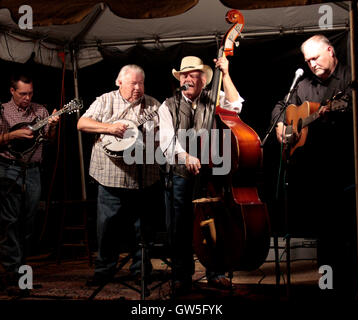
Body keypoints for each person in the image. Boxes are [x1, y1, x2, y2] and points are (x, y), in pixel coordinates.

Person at [271, 34, 356, 298]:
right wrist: (281, 125)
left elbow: (354, 108)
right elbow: (280, 107)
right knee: (325, 234)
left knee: (347, 234)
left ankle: (351, 288)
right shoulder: (304, 85)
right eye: (307, 60)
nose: (311, 64)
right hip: (315, 172)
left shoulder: (350, 78)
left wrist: (331, 114)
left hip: (346, 169)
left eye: (315, 57)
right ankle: (327, 288)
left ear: (330, 50)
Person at [158, 56, 244, 294]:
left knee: (214, 225)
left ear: (204, 79)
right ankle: (181, 276)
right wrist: (185, 156)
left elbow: (237, 106)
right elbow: (166, 141)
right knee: (180, 227)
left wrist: (225, 75)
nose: (187, 78)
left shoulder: (215, 98)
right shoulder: (168, 105)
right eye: (183, 75)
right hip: (180, 173)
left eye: (193, 74)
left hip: (212, 173)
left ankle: (215, 273)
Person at [77, 64, 161, 286]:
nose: (137, 88)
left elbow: (165, 135)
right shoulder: (105, 100)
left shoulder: (153, 105)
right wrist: (109, 128)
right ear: (119, 82)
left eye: (141, 83)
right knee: (108, 227)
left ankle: (141, 269)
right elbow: (82, 123)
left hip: (142, 176)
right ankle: (104, 270)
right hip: (111, 175)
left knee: (141, 227)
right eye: (133, 83)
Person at [0, 73, 59, 286]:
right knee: (9, 222)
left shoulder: (40, 111)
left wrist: (52, 125)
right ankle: (13, 274)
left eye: (31, 93)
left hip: (32, 170)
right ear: (12, 91)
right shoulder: (1, 111)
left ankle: (21, 273)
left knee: (28, 221)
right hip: (7, 169)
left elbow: (49, 139)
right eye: (23, 94)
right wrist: (12, 136)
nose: (27, 98)